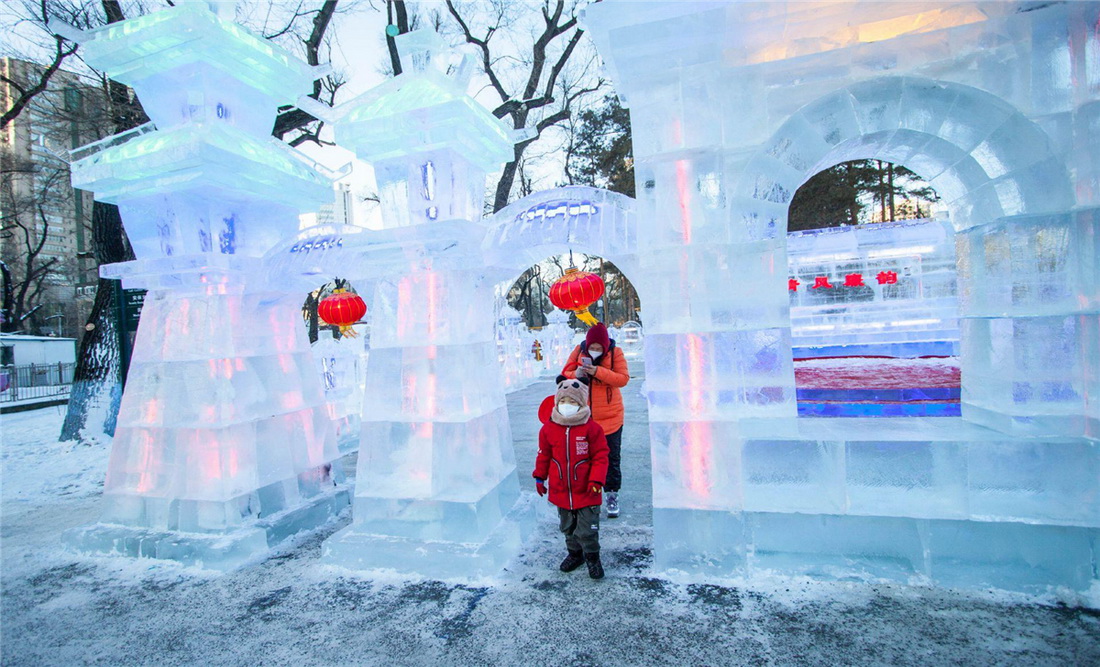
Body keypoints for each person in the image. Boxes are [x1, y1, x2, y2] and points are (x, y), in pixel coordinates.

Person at [533, 377, 609, 579]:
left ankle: (592, 558)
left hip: (587, 491)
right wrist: (540, 477)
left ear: (582, 403)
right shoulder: (548, 429)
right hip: (561, 490)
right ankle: (575, 555)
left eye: (573, 402)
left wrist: (596, 480)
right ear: (557, 402)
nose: (567, 406)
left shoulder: (592, 429)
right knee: (568, 527)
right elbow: (544, 455)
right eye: (564, 402)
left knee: (587, 530)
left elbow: (601, 456)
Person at [560, 322, 629, 518]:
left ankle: (612, 494)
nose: (595, 351)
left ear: (605, 346)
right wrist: (578, 374)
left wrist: (598, 372)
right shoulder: (578, 351)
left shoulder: (616, 354)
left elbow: (623, 379)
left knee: (611, 459)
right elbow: (565, 373)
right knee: (583, 458)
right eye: (592, 348)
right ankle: (588, 495)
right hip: (583, 418)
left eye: (599, 348)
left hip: (611, 417)